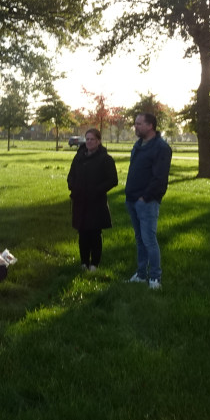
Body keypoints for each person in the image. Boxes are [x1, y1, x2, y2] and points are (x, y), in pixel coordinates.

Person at [125, 111, 172, 290]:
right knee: (140, 240)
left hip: (146, 202)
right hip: (132, 199)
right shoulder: (138, 145)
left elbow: (160, 178)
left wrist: (145, 198)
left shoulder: (161, 147)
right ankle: (141, 274)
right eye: (135, 123)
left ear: (150, 125)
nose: (135, 127)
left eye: (139, 123)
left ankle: (155, 278)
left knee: (149, 240)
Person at [67, 126, 118, 272]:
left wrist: (96, 190)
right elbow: (71, 175)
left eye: (92, 139)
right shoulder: (79, 157)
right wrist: (73, 187)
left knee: (95, 234)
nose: (89, 142)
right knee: (82, 233)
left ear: (98, 141)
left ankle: (95, 263)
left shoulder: (106, 159)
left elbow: (112, 180)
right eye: (87, 139)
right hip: (80, 201)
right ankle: (84, 262)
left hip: (96, 202)